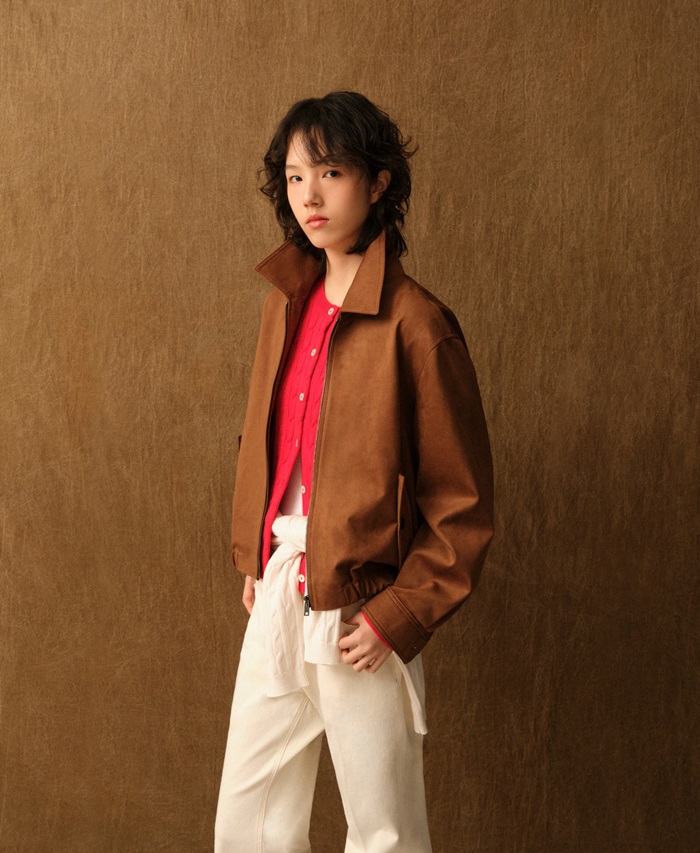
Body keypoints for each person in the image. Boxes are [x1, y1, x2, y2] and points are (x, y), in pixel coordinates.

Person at [214, 91, 493, 853]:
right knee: (250, 823)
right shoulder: (284, 303)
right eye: (295, 176)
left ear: (378, 182)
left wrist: (396, 616)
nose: (309, 194)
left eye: (330, 172)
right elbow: (269, 440)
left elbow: (462, 505)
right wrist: (257, 552)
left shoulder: (418, 324)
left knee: (383, 832)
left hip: (362, 607)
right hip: (282, 586)